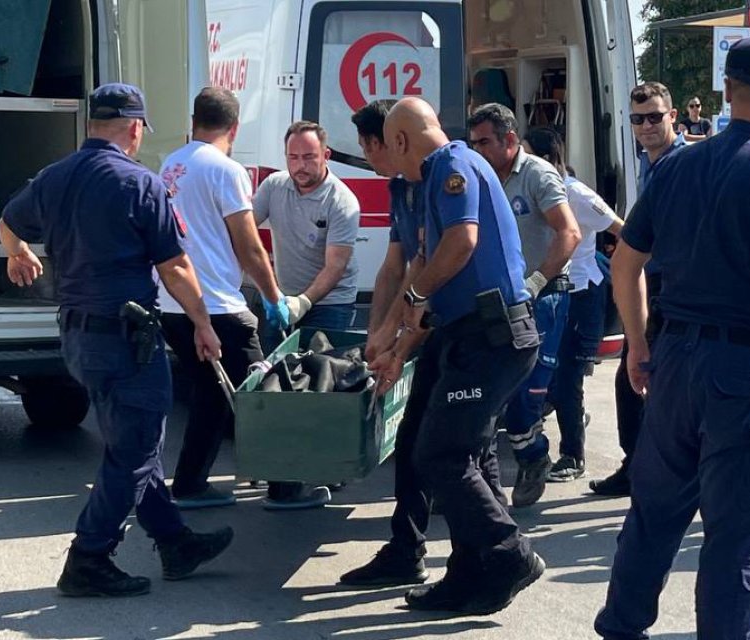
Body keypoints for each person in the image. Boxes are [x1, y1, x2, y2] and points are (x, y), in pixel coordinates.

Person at [595, 36, 750, 640]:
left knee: (653, 514)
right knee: (740, 534)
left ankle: (621, 629)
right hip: (746, 370)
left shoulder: (676, 167)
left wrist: (638, 347)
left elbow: (625, 263)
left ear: (725, 91)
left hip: (674, 359)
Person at [0, 83, 233, 597]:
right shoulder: (140, 184)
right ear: (133, 128)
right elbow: (175, 266)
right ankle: (89, 557)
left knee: (128, 442)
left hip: (79, 340)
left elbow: (7, 221)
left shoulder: (54, 177)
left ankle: (175, 542)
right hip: (128, 342)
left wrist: (17, 253)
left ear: (92, 125)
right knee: (137, 450)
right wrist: (202, 322)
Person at [368, 97, 544, 613]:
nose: (390, 162)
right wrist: (392, 339)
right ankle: (471, 575)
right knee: (458, 453)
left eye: (389, 148)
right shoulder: (429, 182)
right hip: (468, 336)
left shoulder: (453, 167)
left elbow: (461, 244)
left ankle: (509, 553)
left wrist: (413, 303)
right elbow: (424, 264)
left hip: (492, 339)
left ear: (401, 140)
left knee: (439, 455)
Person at [338, 99, 506, 588]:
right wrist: (379, 336)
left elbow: (429, 269)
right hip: (442, 324)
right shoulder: (405, 189)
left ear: (389, 142)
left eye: (373, 148)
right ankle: (420, 550)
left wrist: (397, 340)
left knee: (451, 450)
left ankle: (493, 554)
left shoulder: (444, 174)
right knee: (423, 442)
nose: (372, 159)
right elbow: (397, 266)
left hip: (465, 326)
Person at [156, 87, 305, 510]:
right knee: (263, 394)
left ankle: (189, 483)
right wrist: (274, 296)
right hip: (219, 306)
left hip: (174, 304)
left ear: (194, 121)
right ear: (234, 128)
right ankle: (285, 487)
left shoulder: (172, 165)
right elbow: (249, 245)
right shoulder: (225, 170)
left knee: (209, 392)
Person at [467, 103, 580, 508]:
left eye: (484, 142)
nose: (476, 150)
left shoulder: (536, 174)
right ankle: (480, 480)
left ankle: (534, 455)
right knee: (492, 390)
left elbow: (569, 234)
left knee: (526, 394)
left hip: (542, 296)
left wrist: (537, 280)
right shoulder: (481, 175)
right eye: (473, 142)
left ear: (510, 140)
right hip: (497, 301)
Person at [590, 81, 687, 498]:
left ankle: (650, 470)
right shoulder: (651, 162)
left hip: (674, 285)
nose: (646, 126)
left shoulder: (682, 164)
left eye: (654, 117)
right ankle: (641, 465)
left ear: (673, 116)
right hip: (653, 278)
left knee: (644, 376)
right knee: (640, 376)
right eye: (637, 119)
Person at [522, 127, 625, 483]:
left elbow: (621, 229)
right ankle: (568, 416)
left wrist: (628, 275)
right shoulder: (535, 189)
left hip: (581, 294)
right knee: (546, 373)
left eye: (527, 153)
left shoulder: (576, 193)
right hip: (551, 293)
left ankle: (572, 456)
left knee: (568, 379)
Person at [252, 120, 361, 341]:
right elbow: (242, 229)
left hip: (331, 303)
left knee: (321, 371)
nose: (300, 165)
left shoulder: (342, 201)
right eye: (293, 157)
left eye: (309, 157)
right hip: (282, 299)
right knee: (273, 370)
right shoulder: (274, 186)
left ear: (326, 155)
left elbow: (336, 266)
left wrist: (303, 302)